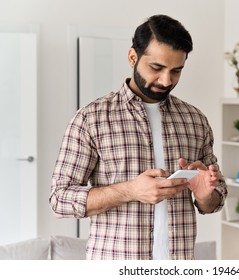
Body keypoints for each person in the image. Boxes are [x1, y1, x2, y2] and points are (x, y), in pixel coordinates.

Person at [49, 14, 227, 260]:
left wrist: (205, 194)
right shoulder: (91, 119)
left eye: (176, 71)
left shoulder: (195, 120)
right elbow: (60, 200)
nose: (166, 80)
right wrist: (130, 190)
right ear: (133, 57)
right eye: (157, 67)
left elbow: (215, 202)